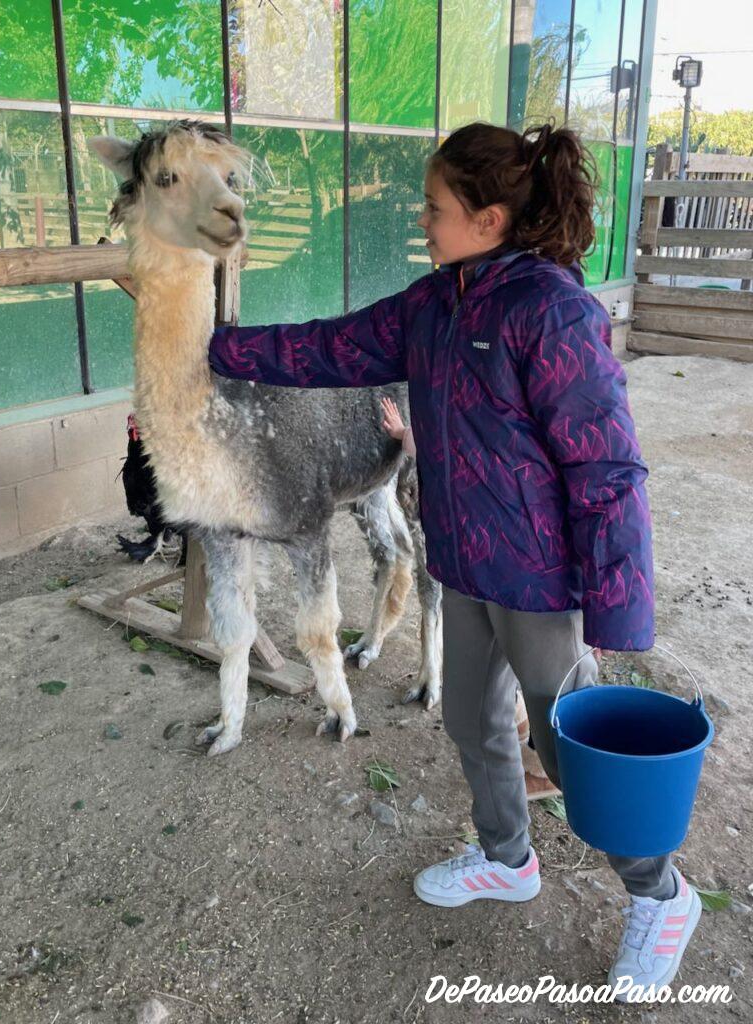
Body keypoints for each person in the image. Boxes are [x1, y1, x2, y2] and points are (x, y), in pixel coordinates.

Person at [208, 121, 701, 1001]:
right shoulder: (433, 305)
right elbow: (330, 346)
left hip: (540, 581)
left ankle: (660, 893)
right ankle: (508, 858)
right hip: (463, 565)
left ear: (492, 217)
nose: (422, 221)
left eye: (434, 208)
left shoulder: (552, 313)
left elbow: (607, 468)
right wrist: (219, 350)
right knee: (472, 721)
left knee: (572, 751)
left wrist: (619, 613)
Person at [381, 394, 560, 801]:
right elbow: (441, 435)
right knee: (497, 670)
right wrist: (404, 434)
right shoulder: (467, 397)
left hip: (530, 563)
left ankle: (544, 772)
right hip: (483, 559)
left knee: (541, 677)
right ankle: (517, 733)